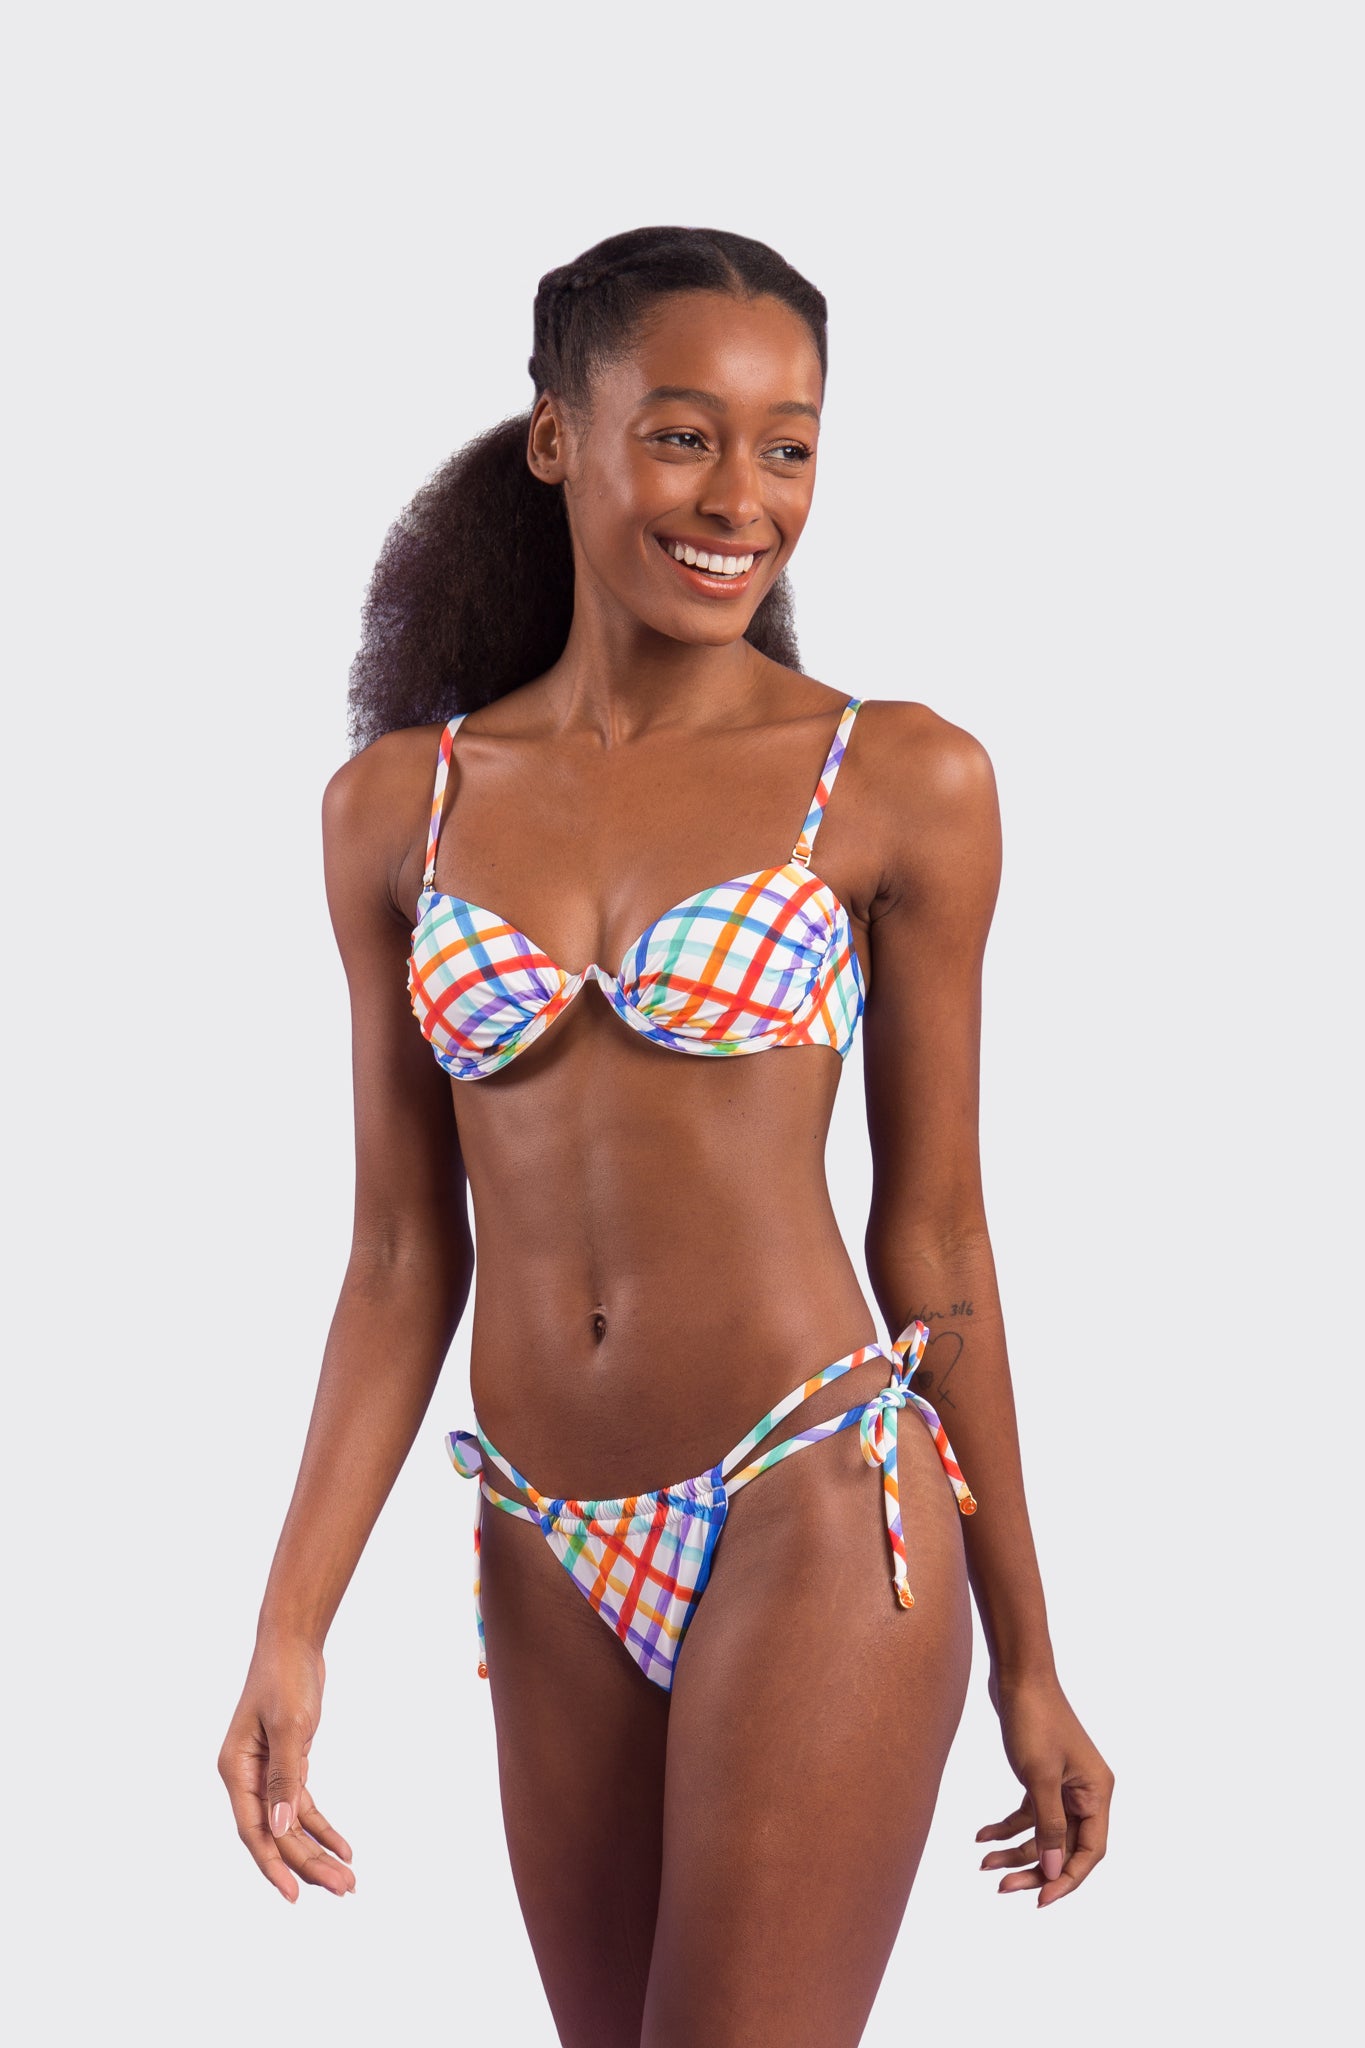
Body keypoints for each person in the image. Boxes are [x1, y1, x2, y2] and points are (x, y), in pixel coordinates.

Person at [218, 225, 1113, 2047]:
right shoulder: (397, 805)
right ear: (558, 436)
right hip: (539, 1533)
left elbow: (936, 1239)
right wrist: (289, 1623)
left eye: (789, 447)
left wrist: (1029, 1658)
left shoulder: (899, 778)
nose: (741, 499)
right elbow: (399, 1254)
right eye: (685, 435)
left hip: (813, 1497)